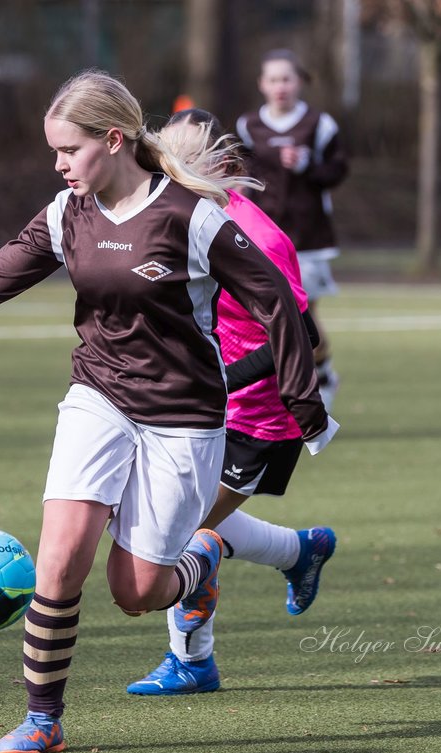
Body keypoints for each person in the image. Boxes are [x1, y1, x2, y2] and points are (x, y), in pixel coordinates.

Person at [0, 70, 335, 753]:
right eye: (54, 152)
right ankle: (43, 719)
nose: (58, 165)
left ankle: (208, 554)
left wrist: (306, 406)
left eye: (68, 150)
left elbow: (278, 301)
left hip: (184, 418)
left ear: (113, 139)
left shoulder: (191, 218)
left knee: (136, 591)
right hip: (97, 397)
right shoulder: (64, 214)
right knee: (60, 559)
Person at [125, 108, 337, 697]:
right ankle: (300, 550)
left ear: (223, 167)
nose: (166, 183)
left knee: (180, 532)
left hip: (260, 419)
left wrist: (223, 377)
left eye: (180, 171)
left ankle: (193, 662)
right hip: (203, 407)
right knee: (171, 519)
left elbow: (301, 337)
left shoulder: (259, 237)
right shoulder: (188, 219)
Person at [236, 49, 348, 411]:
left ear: (298, 82)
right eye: (273, 79)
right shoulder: (247, 126)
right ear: (262, 85)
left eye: (286, 78)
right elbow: (241, 174)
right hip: (261, 237)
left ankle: (323, 373)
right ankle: (275, 390)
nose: (280, 86)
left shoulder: (320, 125)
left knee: (304, 316)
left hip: (307, 237)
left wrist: (308, 165)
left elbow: (338, 172)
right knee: (262, 316)